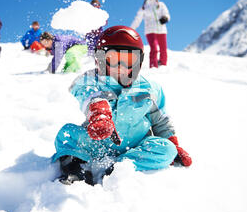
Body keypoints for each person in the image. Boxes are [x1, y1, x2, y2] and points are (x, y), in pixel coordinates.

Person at [52, 26, 191, 185]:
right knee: (67, 134)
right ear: (101, 59)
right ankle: (75, 167)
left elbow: (160, 121)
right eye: (112, 58)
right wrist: (99, 111)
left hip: (134, 147)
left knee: (167, 149)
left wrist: (173, 143)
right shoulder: (90, 80)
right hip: (98, 144)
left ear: (139, 61)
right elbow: (85, 93)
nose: (121, 66)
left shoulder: (149, 89)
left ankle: (118, 168)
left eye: (129, 60)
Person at [130, 0, 170, 68]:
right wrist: (131, 29)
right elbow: (137, 20)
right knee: (154, 49)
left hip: (161, 30)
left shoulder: (161, 5)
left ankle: (163, 67)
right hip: (150, 31)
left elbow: (167, 14)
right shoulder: (144, 8)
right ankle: (153, 67)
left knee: (163, 50)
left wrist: (165, 18)